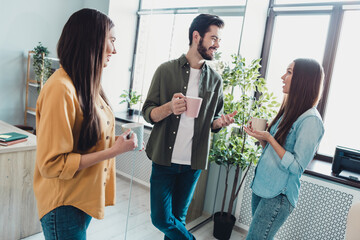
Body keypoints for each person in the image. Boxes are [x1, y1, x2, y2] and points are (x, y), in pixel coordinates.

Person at [34, 8, 138, 240]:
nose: (115, 49)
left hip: (80, 200)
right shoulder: (60, 89)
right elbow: (52, 165)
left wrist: (118, 143)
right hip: (64, 205)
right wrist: (114, 151)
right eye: (111, 40)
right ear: (91, 41)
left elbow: (89, 138)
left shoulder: (86, 84)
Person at [142, 14, 237, 240]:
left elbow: (214, 119)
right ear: (197, 37)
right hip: (164, 160)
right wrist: (169, 108)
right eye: (213, 38)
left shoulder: (215, 79)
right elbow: (148, 113)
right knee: (161, 219)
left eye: (219, 40)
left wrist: (219, 123)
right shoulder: (165, 70)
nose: (217, 45)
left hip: (192, 164)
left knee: (177, 222)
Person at [244, 58, 325, 239]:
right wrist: (262, 138)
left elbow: (297, 166)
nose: (283, 77)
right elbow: (275, 152)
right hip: (263, 187)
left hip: (278, 196)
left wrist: (270, 139)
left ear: (302, 80)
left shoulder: (311, 120)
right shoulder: (289, 111)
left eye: (289, 72)